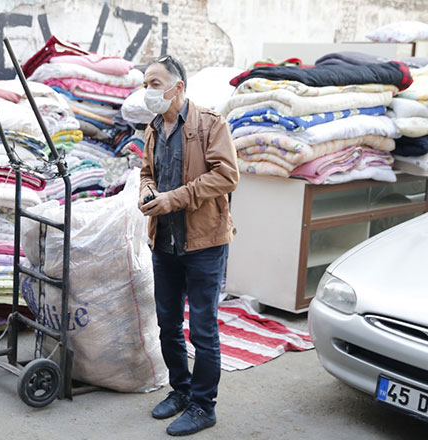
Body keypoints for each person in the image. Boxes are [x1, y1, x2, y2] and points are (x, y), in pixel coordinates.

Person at [139, 55, 240, 437]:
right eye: (145, 82)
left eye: (154, 83)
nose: (148, 90)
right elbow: (147, 172)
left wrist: (174, 198)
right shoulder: (152, 128)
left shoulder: (211, 125)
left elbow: (227, 176)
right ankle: (180, 391)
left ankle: (203, 405)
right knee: (167, 324)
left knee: (202, 328)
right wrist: (148, 190)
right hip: (164, 241)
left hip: (204, 243)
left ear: (177, 87)